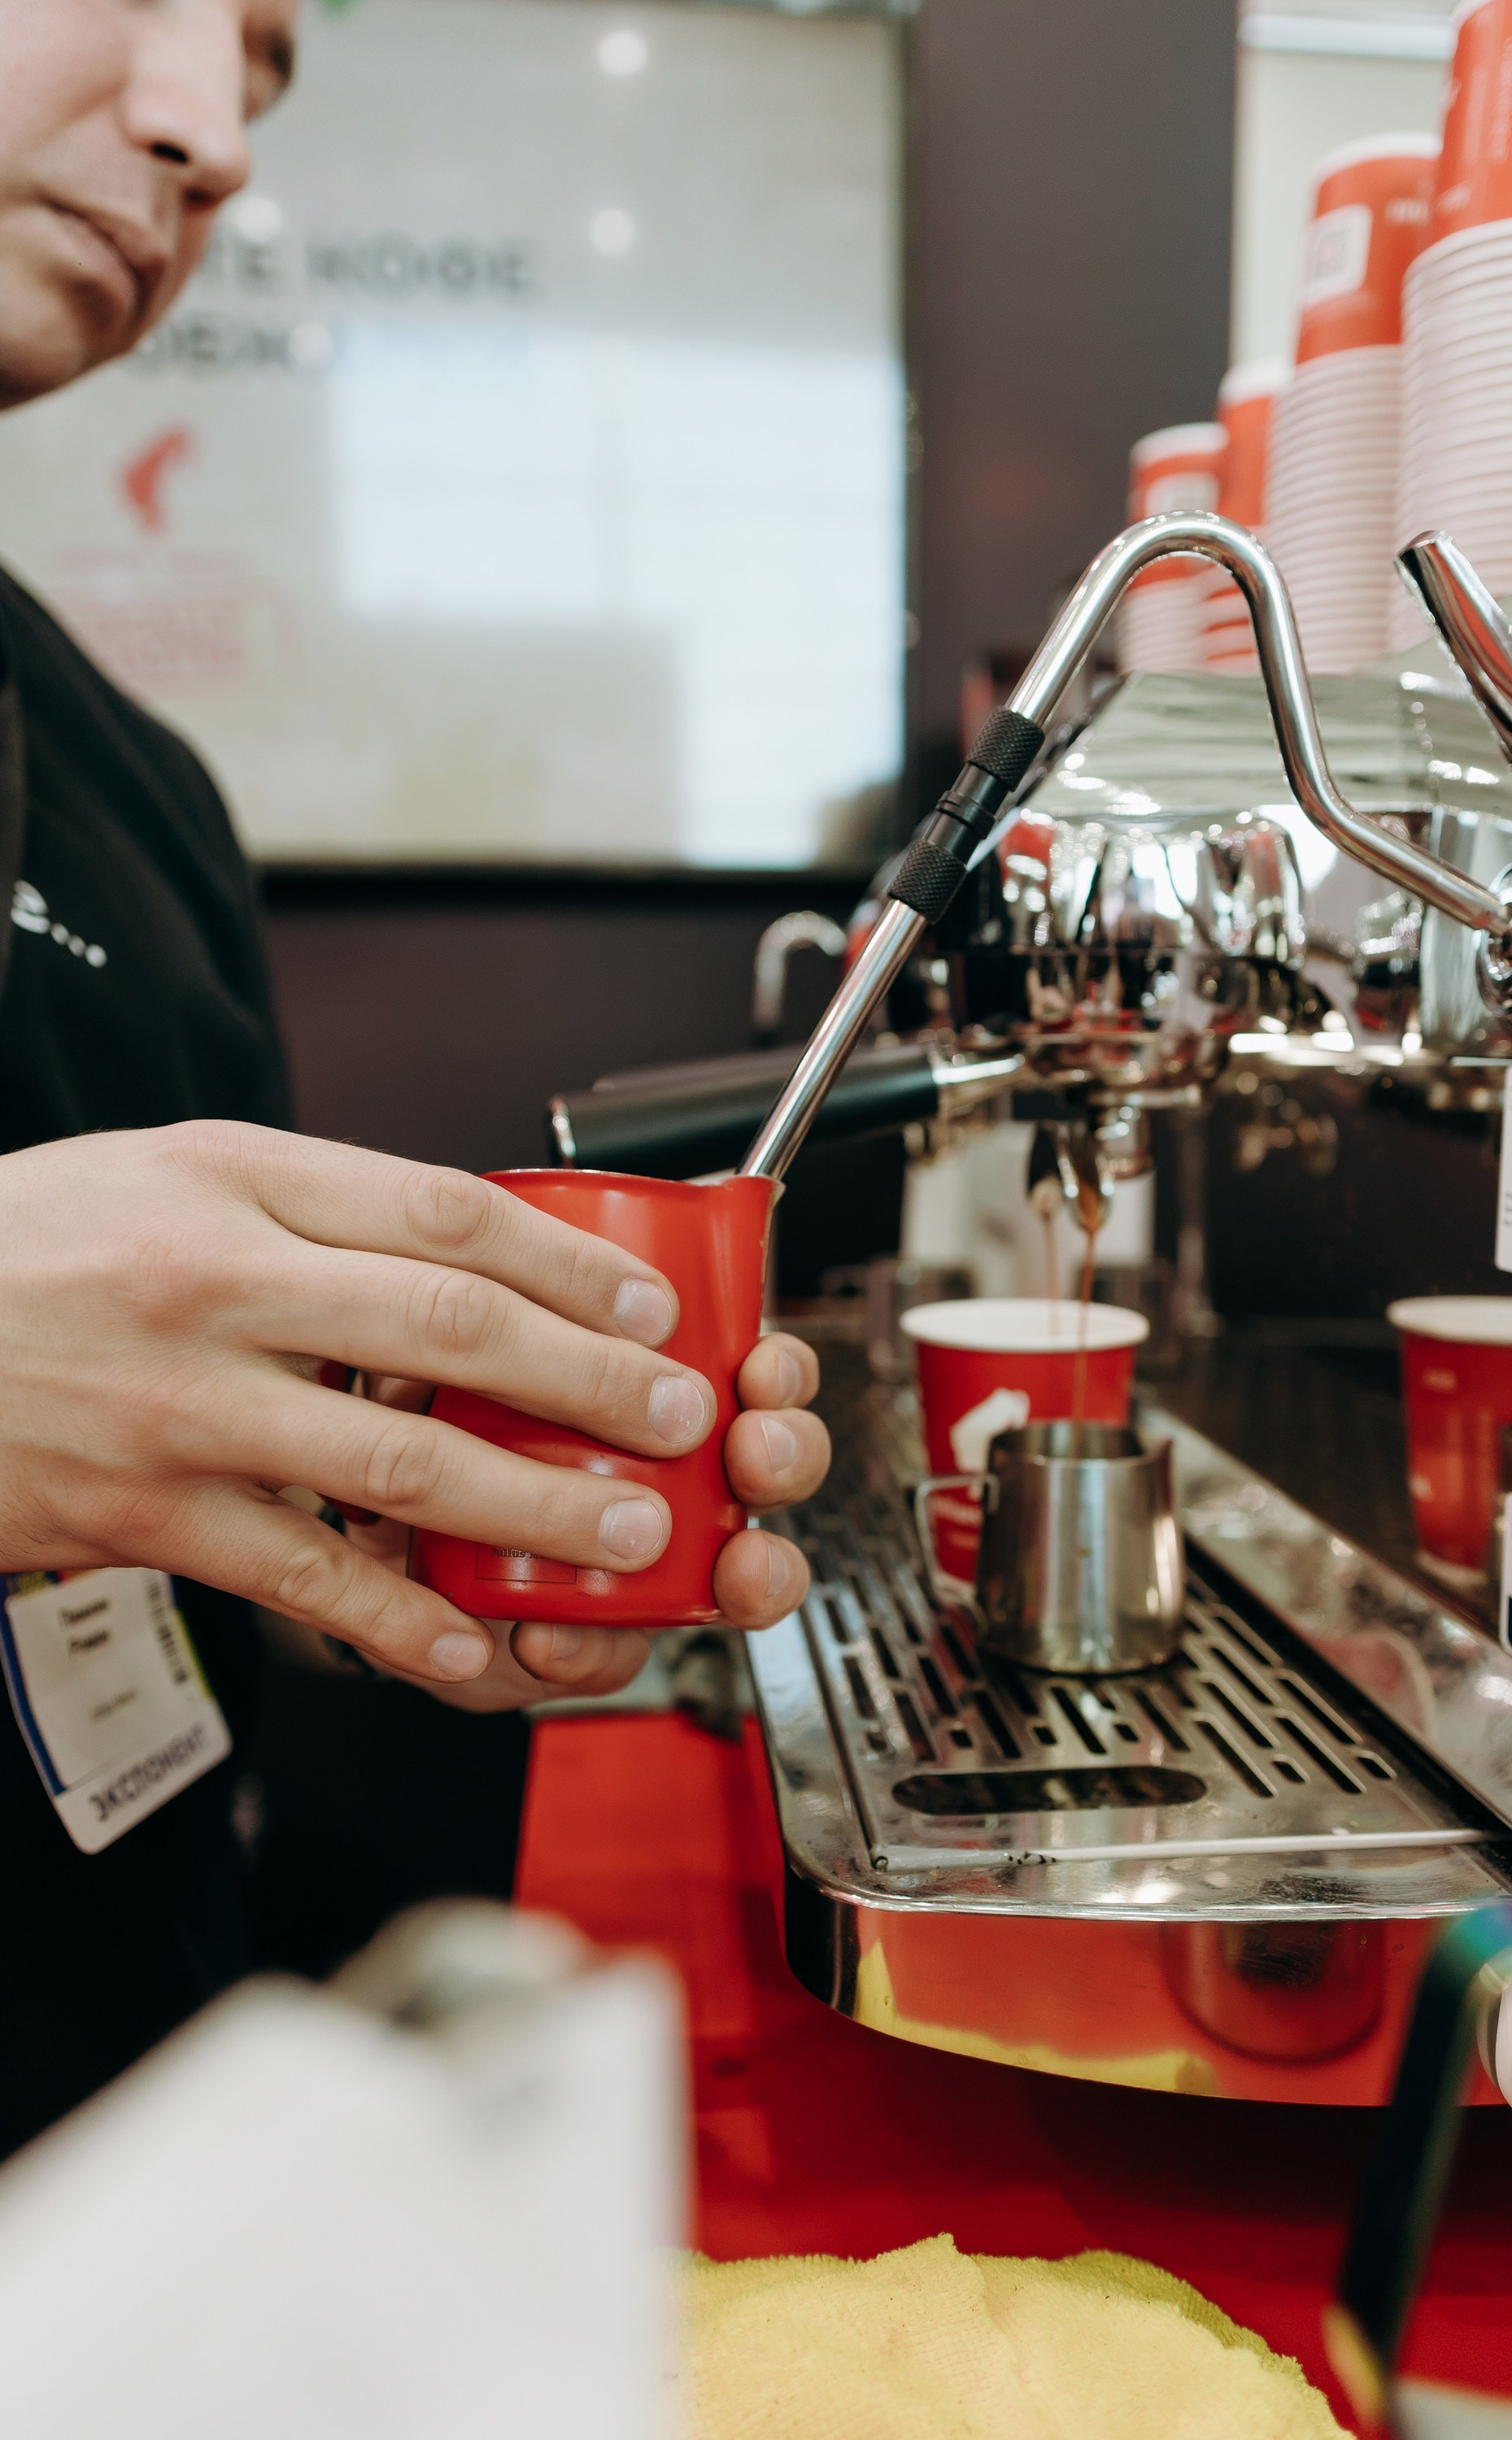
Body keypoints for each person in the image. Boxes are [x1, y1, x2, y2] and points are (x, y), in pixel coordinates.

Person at [0, 0, 830, 2150]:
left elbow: (140, 1522)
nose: (211, 130)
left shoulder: (129, 781)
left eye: (266, 63)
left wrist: (388, 1518)